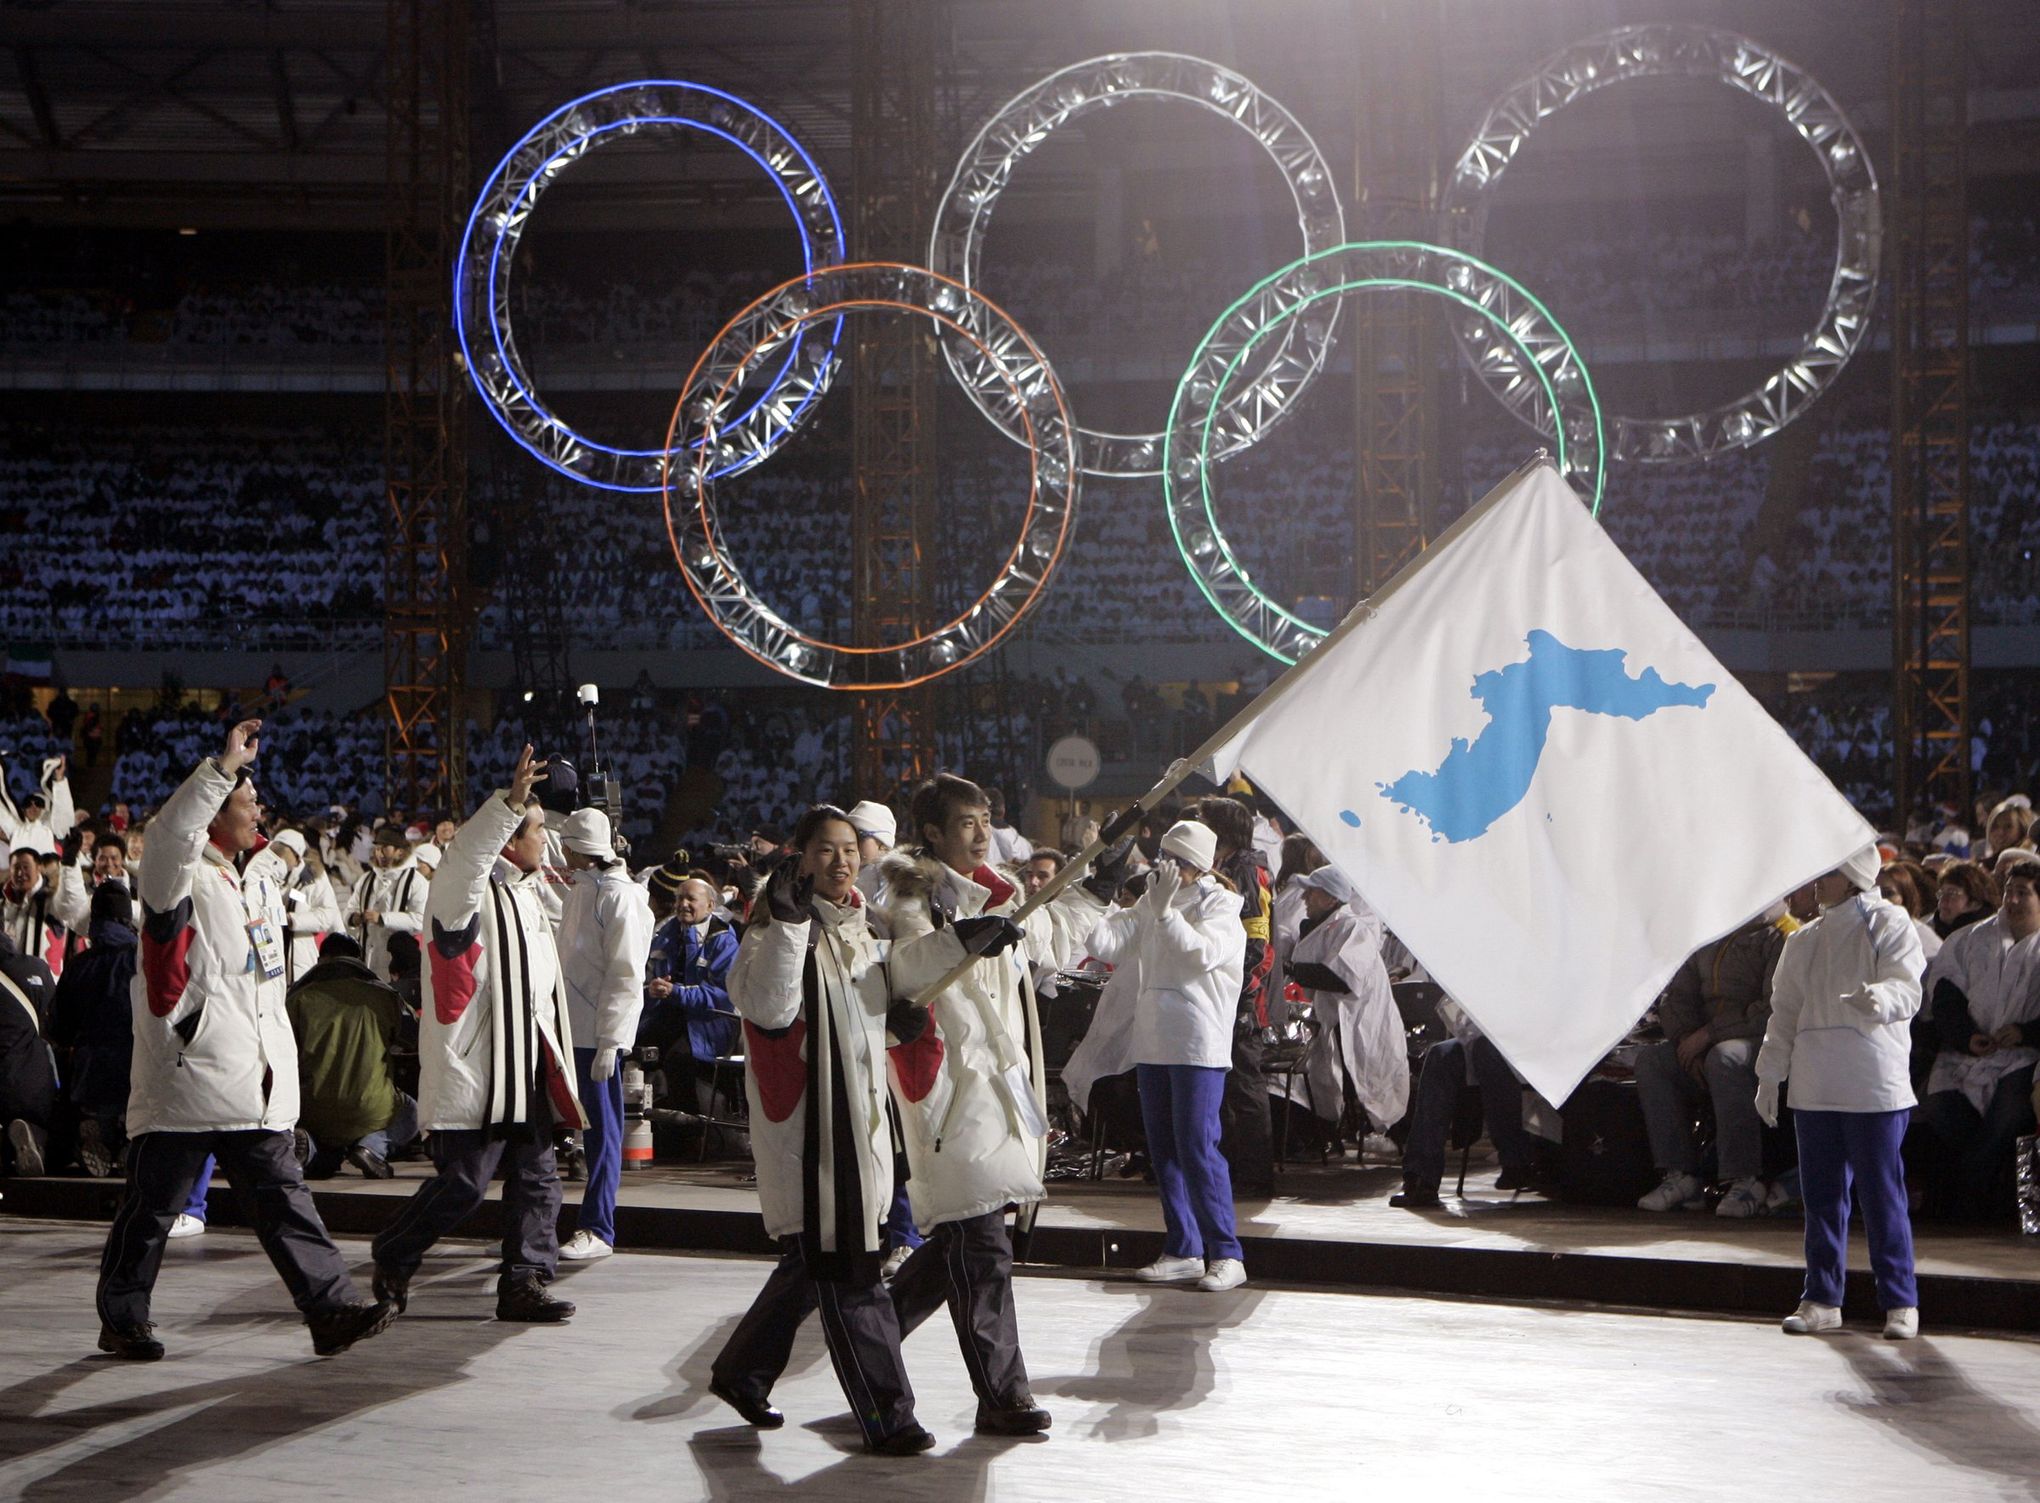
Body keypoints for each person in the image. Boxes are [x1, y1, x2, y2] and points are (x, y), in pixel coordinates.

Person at [93, 719, 395, 1361]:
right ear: (213, 812)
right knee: (149, 1213)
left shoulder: (254, 879)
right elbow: (172, 832)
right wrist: (221, 767)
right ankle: (122, 1317)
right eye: (244, 797)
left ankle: (332, 1308)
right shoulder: (178, 876)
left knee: (286, 1202)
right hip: (187, 1079)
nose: (257, 804)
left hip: (250, 1082)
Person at [881, 772, 1127, 1438]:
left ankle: (868, 1342)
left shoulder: (1007, 891)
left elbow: (1053, 939)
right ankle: (1003, 1394)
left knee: (965, 1240)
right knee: (983, 1243)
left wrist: (1102, 881)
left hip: (1002, 1088)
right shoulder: (906, 896)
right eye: (967, 820)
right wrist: (964, 939)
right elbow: (901, 971)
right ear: (932, 831)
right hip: (949, 1092)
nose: (983, 829)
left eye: (986, 815)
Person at [709, 805, 935, 1456]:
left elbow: (853, 1027)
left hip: (855, 1131)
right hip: (813, 1139)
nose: (841, 860)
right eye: (826, 850)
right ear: (800, 858)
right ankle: (889, 1413)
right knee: (850, 1274)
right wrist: (786, 922)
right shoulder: (773, 929)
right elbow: (773, 1009)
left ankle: (742, 1370)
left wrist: (897, 1025)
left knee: (813, 1265)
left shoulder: (863, 928)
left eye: (849, 849)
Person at [370, 746, 586, 1324]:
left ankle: (525, 1283)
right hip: (483, 1070)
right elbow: (467, 854)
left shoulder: (530, 892)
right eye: (536, 829)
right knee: (465, 1185)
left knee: (539, 1181)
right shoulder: (461, 888)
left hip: (530, 1063)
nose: (546, 839)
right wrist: (509, 804)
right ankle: (394, 1250)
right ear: (509, 837)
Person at [1755, 845, 1924, 1340]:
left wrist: (1881, 998)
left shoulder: (1889, 923)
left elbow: (1909, 988)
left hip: (1873, 1084)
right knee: (1822, 1197)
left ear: (1852, 876)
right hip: (1816, 1086)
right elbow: (1783, 1012)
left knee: (1880, 1195)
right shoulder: (1804, 940)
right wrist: (1770, 1073)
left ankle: (1899, 1300)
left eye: (1827, 871)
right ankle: (1822, 1297)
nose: (1817, 880)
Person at [1083, 818, 1248, 1291]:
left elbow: (1198, 955)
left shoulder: (1222, 909)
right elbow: (1104, 944)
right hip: (1154, 1038)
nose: (1168, 868)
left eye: (1179, 861)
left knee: (1197, 1146)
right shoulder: (1155, 900)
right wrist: (1098, 890)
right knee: (1163, 1150)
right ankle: (1183, 1247)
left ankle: (1227, 1252)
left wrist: (1162, 914)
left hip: (1198, 1042)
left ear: (1201, 866)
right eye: (1165, 858)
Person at [1634, 911, 1788, 1218]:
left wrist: (1710, 1035)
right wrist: (1684, 1042)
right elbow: (1677, 997)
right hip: (1706, 1043)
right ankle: (1682, 1176)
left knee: (1726, 1058)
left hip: (1762, 1042)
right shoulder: (1709, 934)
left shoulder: (1780, 935)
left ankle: (1746, 1178)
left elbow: (1773, 1007)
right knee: (1653, 1061)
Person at [556, 806, 654, 1262]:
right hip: (570, 1028)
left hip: (596, 1033)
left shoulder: (619, 896)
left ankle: (599, 1227)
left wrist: (613, 1040)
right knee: (577, 1131)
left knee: (604, 1132)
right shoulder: (584, 889)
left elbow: (626, 973)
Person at [1917, 861, 2040, 1219]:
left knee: (2007, 1117)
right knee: (1940, 1108)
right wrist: (1966, 1037)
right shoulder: (1970, 940)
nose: (2013, 900)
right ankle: (1990, 1193)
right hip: (1966, 1055)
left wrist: (2025, 1031)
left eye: (2024, 893)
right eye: (2009, 891)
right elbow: (1946, 996)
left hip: (2023, 1058)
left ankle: (1969, 1202)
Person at [1284, 865, 1408, 1156]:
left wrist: (1293, 970)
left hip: (1364, 1023)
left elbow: (1340, 977)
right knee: (1328, 1082)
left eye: (1312, 892)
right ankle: (1326, 1139)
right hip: (1335, 1023)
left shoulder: (1353, 928)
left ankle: (1409, 1143)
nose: (1305, 898)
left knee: (1377, 1086)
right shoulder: (1327, 926)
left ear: (1330, 898)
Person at [1190, 796, 1277, 1196]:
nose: (1196, 825)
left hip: (1241, 999)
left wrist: (1242, 992)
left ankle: (1256, 1175)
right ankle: (1225, 1169)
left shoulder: (1248, 868)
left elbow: (1258, 939)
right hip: (1215, 996)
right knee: (1220, 1088)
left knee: (1245, 1086)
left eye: (1202, 820)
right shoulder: (1220, 866)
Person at [286, 935, 416, 1180]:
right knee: (410, 1110)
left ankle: (310, 1148)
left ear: (320, 960)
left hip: (311, 1109)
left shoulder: (297, 999)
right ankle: (372, 1148)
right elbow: (413, 1038)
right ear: (358, 960)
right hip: (371, 1109)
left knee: (327, 1148)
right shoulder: (384, 996)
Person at [48, 882, 139, 1177]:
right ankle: (130, 1141)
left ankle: (97, 1134)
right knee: (134, 1112)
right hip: (135, 1066)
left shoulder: (78, 965)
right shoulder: (142, 961)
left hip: (90, 1070)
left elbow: (60, 1027)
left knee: (93, 1103)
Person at [638, 873, 740, 1135]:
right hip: (668, 1012)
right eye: (679, 898)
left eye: (691, 899)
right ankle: (649, 1132)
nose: (683, 904)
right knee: (635, 1050)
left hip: (709, 1022)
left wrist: (676, 992)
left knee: (678, 1059)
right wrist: (656, 988)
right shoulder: (667, 932)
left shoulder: (723, 940)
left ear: (710, 906)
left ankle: (689, 1137)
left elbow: (721, 995)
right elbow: (650, 974)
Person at [0, 927, 59, 1177]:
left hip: (4, 1077)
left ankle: (10, 1145)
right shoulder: (38, 968)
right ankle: (34, 1138)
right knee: (40, 1119)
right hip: (37, 1075)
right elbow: (54, 1022)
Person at [346, 824, 428, 983]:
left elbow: (420, 920)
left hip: (398, 966)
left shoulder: (416, 881)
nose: (380, 853)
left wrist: (383, 918)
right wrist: (354, 918)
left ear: (400, 851)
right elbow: (350, 908)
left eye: (385, 848)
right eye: (377, 848)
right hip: (367, 961)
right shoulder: (367, 879)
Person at [3, 843, 88, 977]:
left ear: (38, 868)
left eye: (26, 867)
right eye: (16, 867)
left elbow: (71, 902)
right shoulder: (4, 904)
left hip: (44, 986)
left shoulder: (50, 900)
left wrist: (70, 865)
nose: (20, 873)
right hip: (12, 985)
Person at [846, 799, 897, 906]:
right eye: (848, 836)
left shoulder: (888, 883)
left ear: (883, 846)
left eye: (860, 836)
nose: (852, 842)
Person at [1932, 861, 1998, 941]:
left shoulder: (1988, 937)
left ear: (1975, 902)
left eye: (1952, 893)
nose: (1943, 900)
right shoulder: (1929, 929)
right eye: (1941, 893)